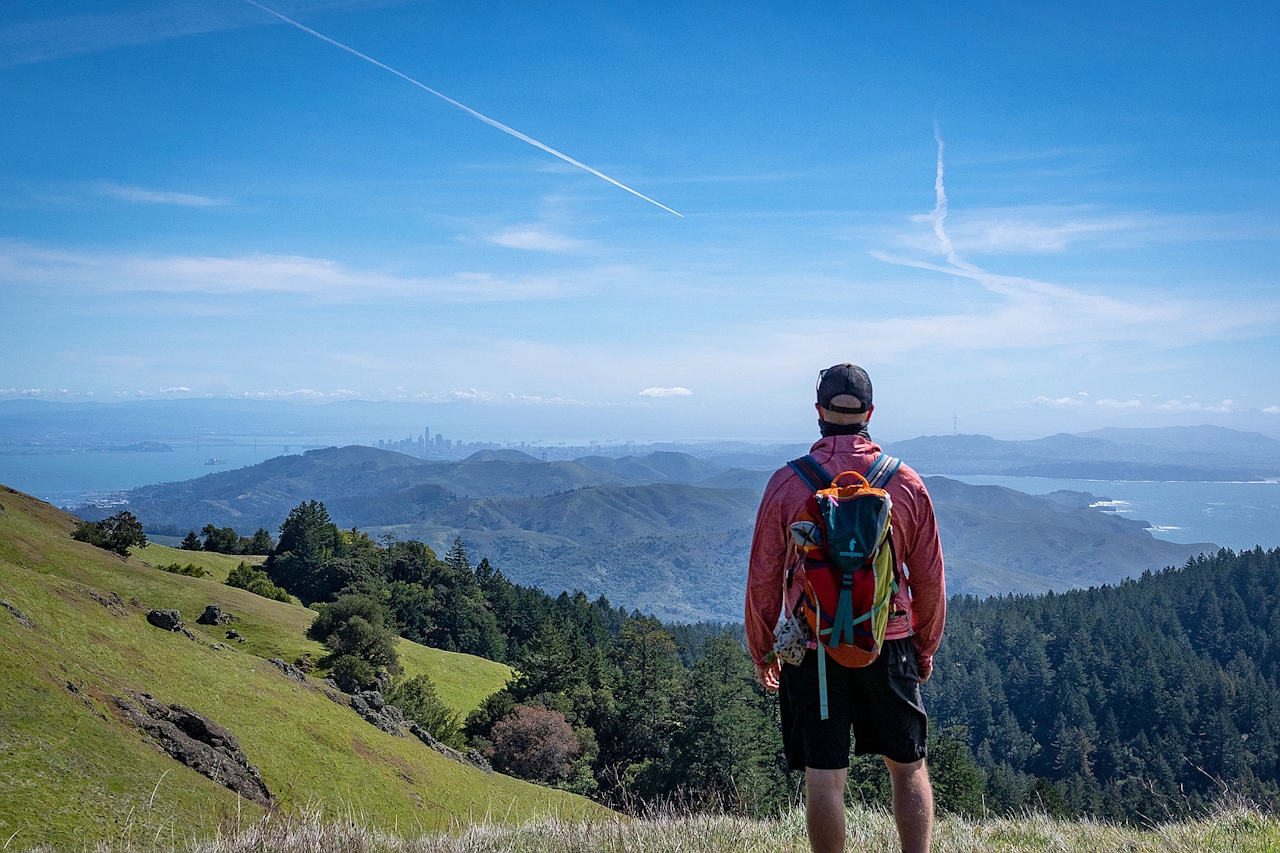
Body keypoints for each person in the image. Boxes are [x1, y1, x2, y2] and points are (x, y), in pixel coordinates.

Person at [746, 363, 946, 853]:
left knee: (825, 780)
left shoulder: (787, 484)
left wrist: (764, 651)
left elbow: (764, 577)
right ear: (870, 413)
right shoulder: (905, 483)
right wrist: (924, 648)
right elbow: (929, 579)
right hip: (889, 640)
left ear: (819, 413)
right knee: (908, 767)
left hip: (814, 649)